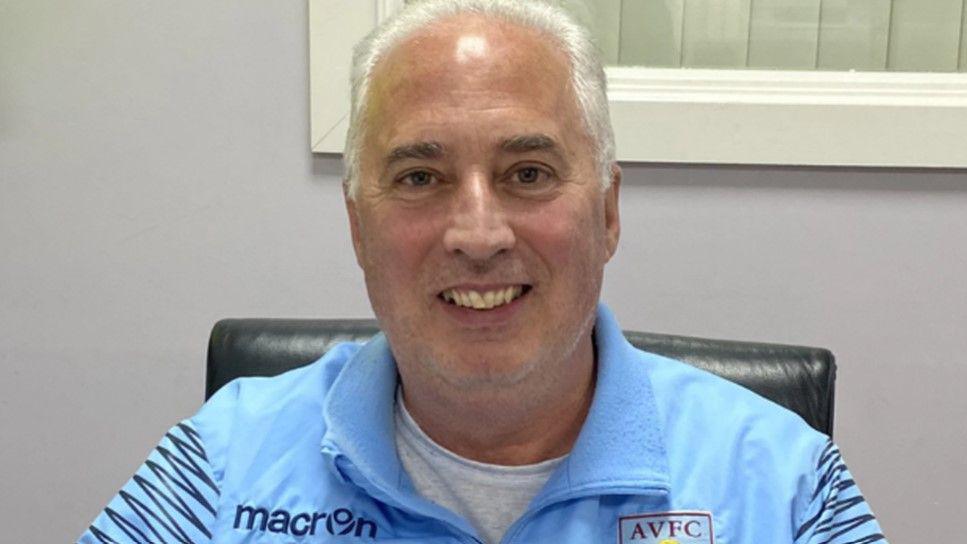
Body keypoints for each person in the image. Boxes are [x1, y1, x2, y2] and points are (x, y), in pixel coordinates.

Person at [79, 1, 887, 543]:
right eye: (420, 178)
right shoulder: (217, 465)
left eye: (528, 173)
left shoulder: (786, 486)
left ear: (607, 212)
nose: (476, 234)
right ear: (358, 226)